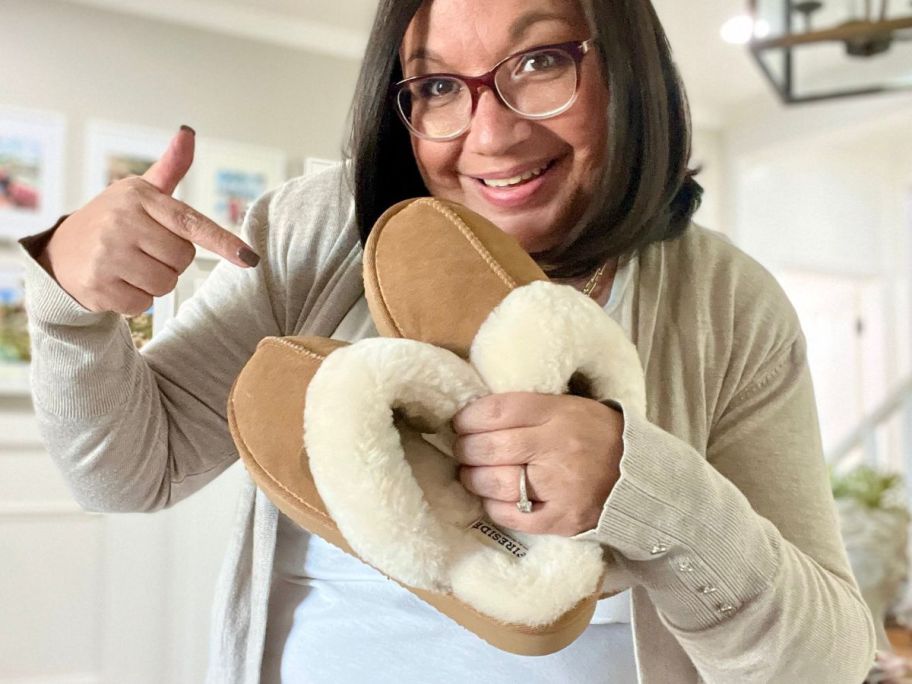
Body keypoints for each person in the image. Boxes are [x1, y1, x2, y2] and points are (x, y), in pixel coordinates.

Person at [19, 0, 876, 682]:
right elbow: (129, 471)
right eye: (436, 87)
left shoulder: (727, 303)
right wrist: (68, 296)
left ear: (629, 72)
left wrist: (643, 488)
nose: (490, 135)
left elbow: (824, 663)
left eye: (541, 62)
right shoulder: (317, 233)